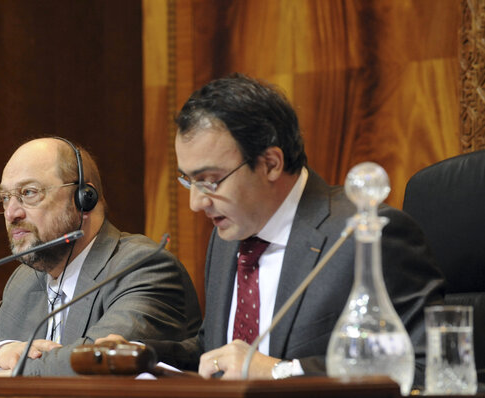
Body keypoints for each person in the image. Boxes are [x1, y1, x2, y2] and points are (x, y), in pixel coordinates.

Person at [98, 73, 445, 381]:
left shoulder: (365, 236)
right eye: (191, 182)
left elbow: (424, 368)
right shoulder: (229, 237)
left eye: (211, 181)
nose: (196, 203)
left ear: (271, 164)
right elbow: (217, 351)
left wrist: (281, 371)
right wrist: (142, 354)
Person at [0, 137, 202, 376]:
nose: (12, 213)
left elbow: (103, 361)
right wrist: (3, 352)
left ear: (85, 198)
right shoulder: (26, 282)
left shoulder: (142, 267)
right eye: (5, 198)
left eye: (28, 193)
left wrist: (20, 373)